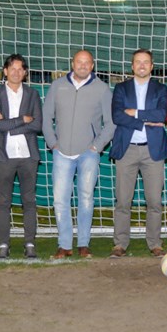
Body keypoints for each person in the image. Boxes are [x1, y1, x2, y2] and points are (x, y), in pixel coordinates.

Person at [42, 49, 114, 259]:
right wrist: (53, 143)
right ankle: (64, 245)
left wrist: (97, 146)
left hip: (88, 154)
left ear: (92, 66)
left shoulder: (102, 89)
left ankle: (83, 243)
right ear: (72, 63)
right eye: (79, 62)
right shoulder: (57, 86)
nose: (83, 66)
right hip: (61, 153)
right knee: (60, 201)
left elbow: (111, 124)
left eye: (87, 63)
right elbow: (46, 117)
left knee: (85, 199)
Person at [109, 49, 167, 258]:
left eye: (146, 62)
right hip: (127, 151)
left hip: (152, 151)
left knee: (154, 201)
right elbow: (117, 116)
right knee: (123, 201)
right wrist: (144, 120)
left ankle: (154, 243)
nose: (142, 65)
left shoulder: (161, 89)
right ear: (132, 66)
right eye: (138, 62)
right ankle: (120, 244)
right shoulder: (121, 88)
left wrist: (135, 113)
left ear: (152, 66)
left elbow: (162, 115)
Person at [0, 53, 43, 260]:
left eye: (20, 69)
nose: (16, 72)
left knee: (29, 201)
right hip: (3, 156)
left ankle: (30, 243)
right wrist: (22, 120)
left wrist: (8, 125)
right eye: (12, 68)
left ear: (25, 72)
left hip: (28, 156)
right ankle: (3, 244)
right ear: (5, 71)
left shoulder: (32, 94)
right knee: (3, 202)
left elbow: (37, 125)